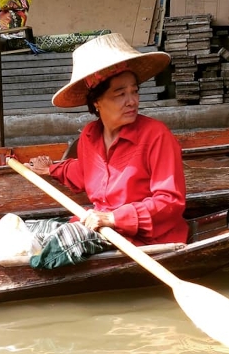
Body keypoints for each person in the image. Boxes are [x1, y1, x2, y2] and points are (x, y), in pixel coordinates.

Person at [25, 33, 188, 269]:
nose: (132, 101)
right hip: (100, 224)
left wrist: (114, 218)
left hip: (146, 237)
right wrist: (51, 168)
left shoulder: (156, 135)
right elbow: (85, 172)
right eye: (120, 94)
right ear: (97, 102)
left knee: (68, 237)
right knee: (28, 227)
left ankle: (34, 273)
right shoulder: (90, 136)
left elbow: (170, 202)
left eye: (134, 91)